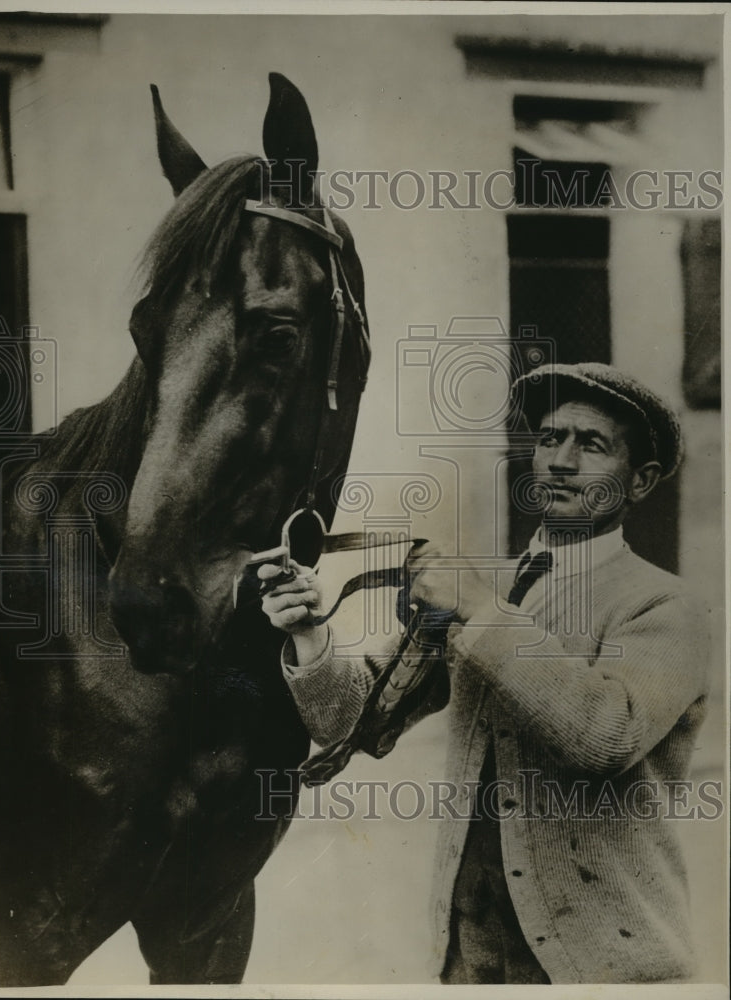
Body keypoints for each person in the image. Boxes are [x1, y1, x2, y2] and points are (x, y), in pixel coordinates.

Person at [259, 362, 709, 985]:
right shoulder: (487, 588)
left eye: (592, 445)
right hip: (469, 961)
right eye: (550, 438)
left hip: (607, 968)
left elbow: (608, 736)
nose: (561, 461)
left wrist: (481, 608)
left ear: (641, 481)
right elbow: (351, 722)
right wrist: (309, 631)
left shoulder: (666, 607)